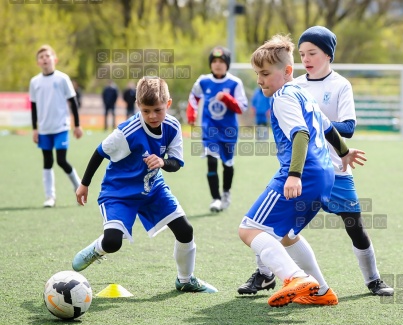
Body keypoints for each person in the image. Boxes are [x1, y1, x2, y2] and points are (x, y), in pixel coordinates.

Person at [237, 26, 394, 304]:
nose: (259, 81)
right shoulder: (302, 92)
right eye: (257, 74)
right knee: (286, 233)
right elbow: (325, 127)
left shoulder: (285, 96)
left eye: (264, 74)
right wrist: (344, 153)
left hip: (304, 173)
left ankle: (296, 277)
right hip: (324, 174)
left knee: (249, 229)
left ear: (286, 72)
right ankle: (320, 291)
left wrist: (294, 175)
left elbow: (302, 133)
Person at [70, 76, 217, 294]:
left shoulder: (173, 126)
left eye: (158, 110)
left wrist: (162, 162)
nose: (152, 116)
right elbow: (100, 152)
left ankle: (185, 280)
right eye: (146, 110)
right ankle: (96, 249)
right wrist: (84, 184)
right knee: (113, 242)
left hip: (153, 189)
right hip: (119, 193)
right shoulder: (126, 132)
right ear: (138, 106)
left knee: (185, 230)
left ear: (167, 104)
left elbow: (175, 163)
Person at [187, 46, 248, 213]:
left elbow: (242, 107)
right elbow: (193, 97)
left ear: (227, 64)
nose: (218, 64)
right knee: (211, 160)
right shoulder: (203, 81)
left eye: (221, 61)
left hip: (228, 131)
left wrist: (227, 98)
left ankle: (226, 193)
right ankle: (216, 198)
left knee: (227, 164)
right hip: (210, 130)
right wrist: (191, 113)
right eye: (214, 61)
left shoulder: (235, 83)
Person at [29, 45, 83, 208]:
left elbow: (73, 102)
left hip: (61, 127)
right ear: (38, 62)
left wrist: (77, 125)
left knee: (61, 160)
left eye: (47, 56)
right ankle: (50, 197)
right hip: (44, 129)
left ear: (55, 59)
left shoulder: (62, 78)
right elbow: (33, 106)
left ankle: (79, 187)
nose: (45, 59)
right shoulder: (35, 82)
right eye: (41, 57)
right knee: (47, 162)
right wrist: (35, 128)